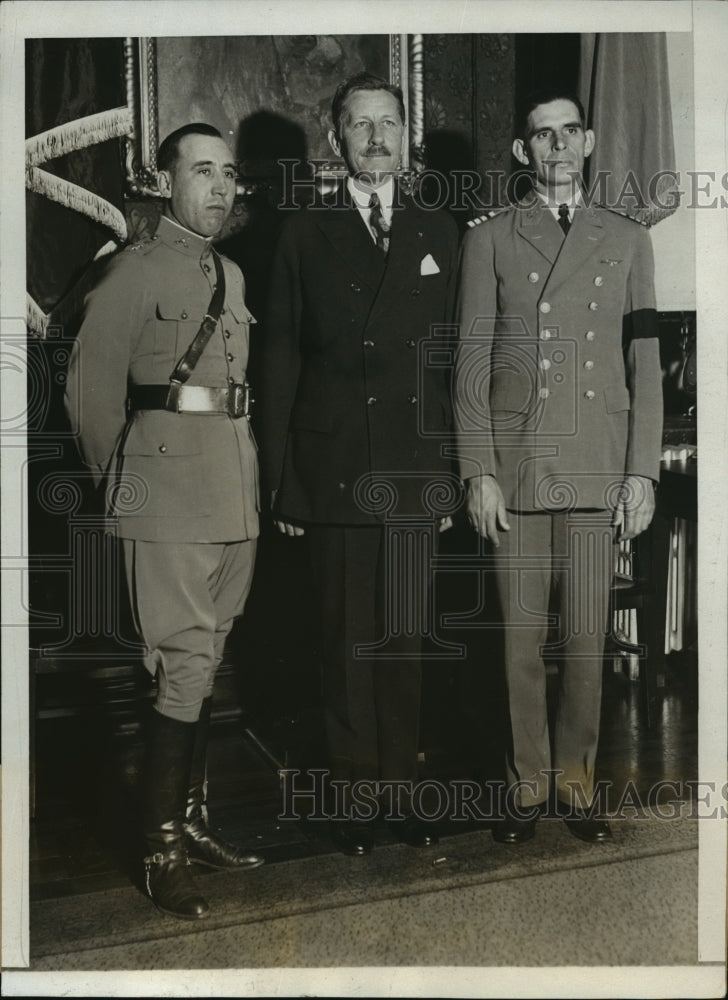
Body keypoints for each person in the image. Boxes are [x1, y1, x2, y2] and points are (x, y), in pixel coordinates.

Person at [65, 123, 264, 920]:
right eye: (201, 172)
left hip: (232, 491)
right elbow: (88, 397)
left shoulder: (234, 274)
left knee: (208, 655)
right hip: (165, 495)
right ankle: (159, 852)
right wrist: (133, 481)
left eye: (228, 174)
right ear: (165, 182)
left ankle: (193, 821)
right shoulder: (131, 273)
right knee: (181, 659)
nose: (218, 188)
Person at [454, 89, 663, 844]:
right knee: (517, 642)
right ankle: (525, 785)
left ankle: (576, 784)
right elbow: (471, 363)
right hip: (517, 466)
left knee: (585, 638)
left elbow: (645, 362)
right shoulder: (491, 240)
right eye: (542, 136)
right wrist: (476, 470)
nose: (557, 147)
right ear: (522, 151)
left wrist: (640, 473)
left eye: (569, 132)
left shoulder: (629, 240)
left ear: (589, 139)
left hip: (597, 464)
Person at [259, 72, 459, 855]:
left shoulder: (440, 229)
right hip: (333, 466)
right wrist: (281, 480)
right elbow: (278, 360)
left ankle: (403, 797)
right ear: (335, 138)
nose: (376, 138)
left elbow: (451, 363)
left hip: (413, 468)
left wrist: (448, 474)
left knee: (404, 643)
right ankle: (354, 801)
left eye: (388, 124)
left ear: (405, 135)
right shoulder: (303, 233)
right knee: (345, 644)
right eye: (360, 125)